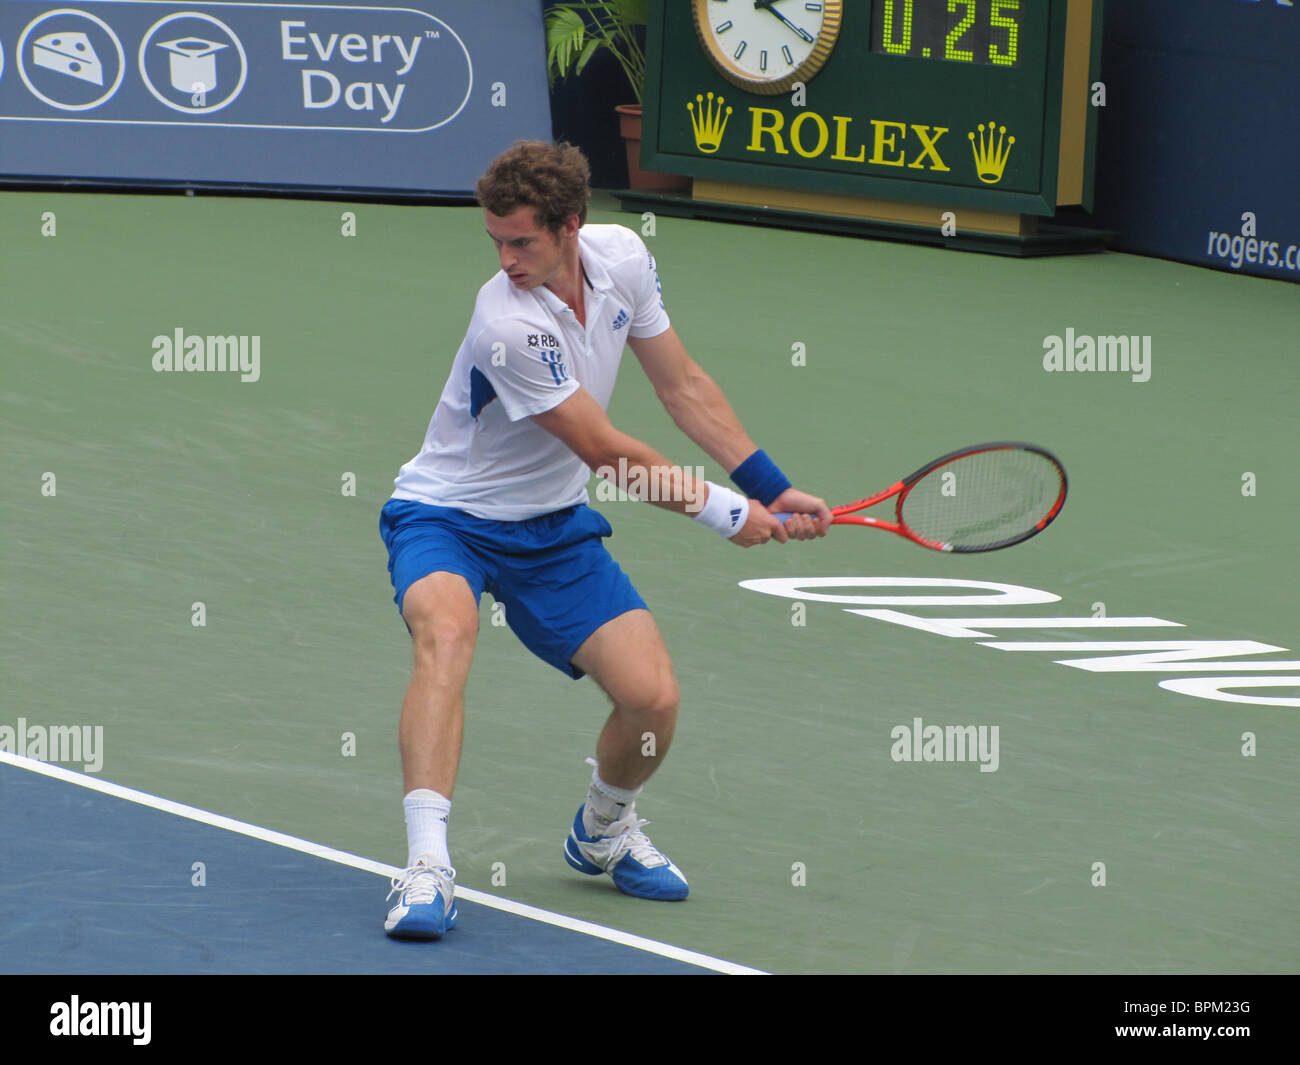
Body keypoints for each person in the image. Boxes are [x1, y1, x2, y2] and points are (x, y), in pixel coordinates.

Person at [379, 140, 830, 939]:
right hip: (445, 515)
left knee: (652, 698)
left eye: (522, 241)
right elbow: (606, 452)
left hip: (551, 529)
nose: (506, 258)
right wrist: (727, 513)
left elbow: (680, 383)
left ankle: (604, 829)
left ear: (571, 226)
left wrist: (767, 482)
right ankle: (426, 865)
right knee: (445, 635)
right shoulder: (505, 324)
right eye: (496, 242)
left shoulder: (623, 258)